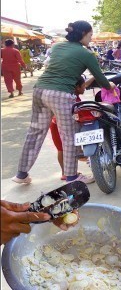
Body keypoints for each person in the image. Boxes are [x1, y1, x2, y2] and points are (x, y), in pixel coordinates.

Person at [13, 21, 114, 185]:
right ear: (83, 34)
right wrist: (111, 85)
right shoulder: (87, 54)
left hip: (40, 90)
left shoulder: (57, 47)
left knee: (35, 132)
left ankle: (21, 174)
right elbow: (101, 79)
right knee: (69, 136)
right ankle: (72, 176)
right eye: (90, 35)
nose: (91, 38)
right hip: (60, 95)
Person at [50, 76, 94, 180]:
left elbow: (85, 84)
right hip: (61, 124)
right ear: (77, 87)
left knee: (61, 149)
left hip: (54, 123)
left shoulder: (68, 92)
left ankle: (65, 173)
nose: (85, 88)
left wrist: (94, 77)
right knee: (69, 148)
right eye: (83, 87)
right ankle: (70, 175)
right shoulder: (71, 98)